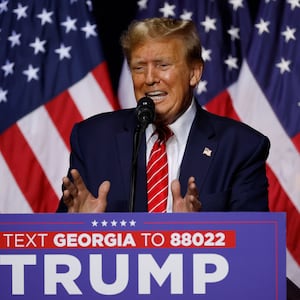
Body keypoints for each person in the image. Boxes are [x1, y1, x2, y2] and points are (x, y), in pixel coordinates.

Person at [56, 17, 270, 213]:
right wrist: (79, 228)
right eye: (139, 68)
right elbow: (56, 248)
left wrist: (199, 233)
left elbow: (254, 245)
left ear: (194, 73)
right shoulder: (92, 139)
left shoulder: (241, 147)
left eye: (162, 65)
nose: (149, 79)